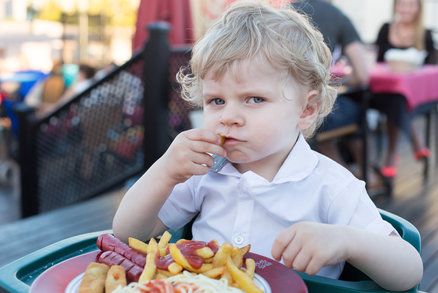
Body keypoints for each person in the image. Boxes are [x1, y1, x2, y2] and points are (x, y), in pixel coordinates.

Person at [113, 2, 422, 290]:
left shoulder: (331, 186)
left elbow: (409, 271)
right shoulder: (203, 172)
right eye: (216, 101)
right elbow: (129, 234)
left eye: (254, 99)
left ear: (306, 110)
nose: (229, 117)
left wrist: (345, 240)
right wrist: (165, 171)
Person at [292, 0, 370, 177]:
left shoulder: (283, 14)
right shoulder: (337, 15)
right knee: (356, 110)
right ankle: (363, 176)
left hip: (287, 107)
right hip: (313, 110)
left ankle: (345, 175)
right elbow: (362, 75)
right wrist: (340, 81)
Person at [372, 0, 436, 179]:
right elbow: (376, 61)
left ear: (419, 8)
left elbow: (430, 70)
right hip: (383, 90)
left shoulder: (426, 34)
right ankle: (417, 142)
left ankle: (391, 156)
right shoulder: (386, 29)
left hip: (414, 96)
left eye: (411, 4)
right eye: (402, 4)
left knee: (398, 100)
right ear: (395, 6)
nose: (405, 9)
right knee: (397, 100)